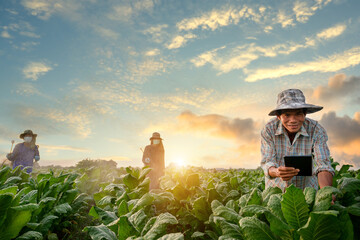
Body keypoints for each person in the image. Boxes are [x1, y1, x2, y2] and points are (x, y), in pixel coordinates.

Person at [261, 89, 334, 192]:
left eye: (298, 114)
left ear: (305, 114)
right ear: (278, 116)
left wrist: (326, 193)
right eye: (287, 115)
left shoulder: (316, 130)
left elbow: (323, 165)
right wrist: (277, 171)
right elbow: (268, 161)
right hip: (276, 191)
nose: (293, 120)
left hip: (306, 191)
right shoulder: (269, 129)